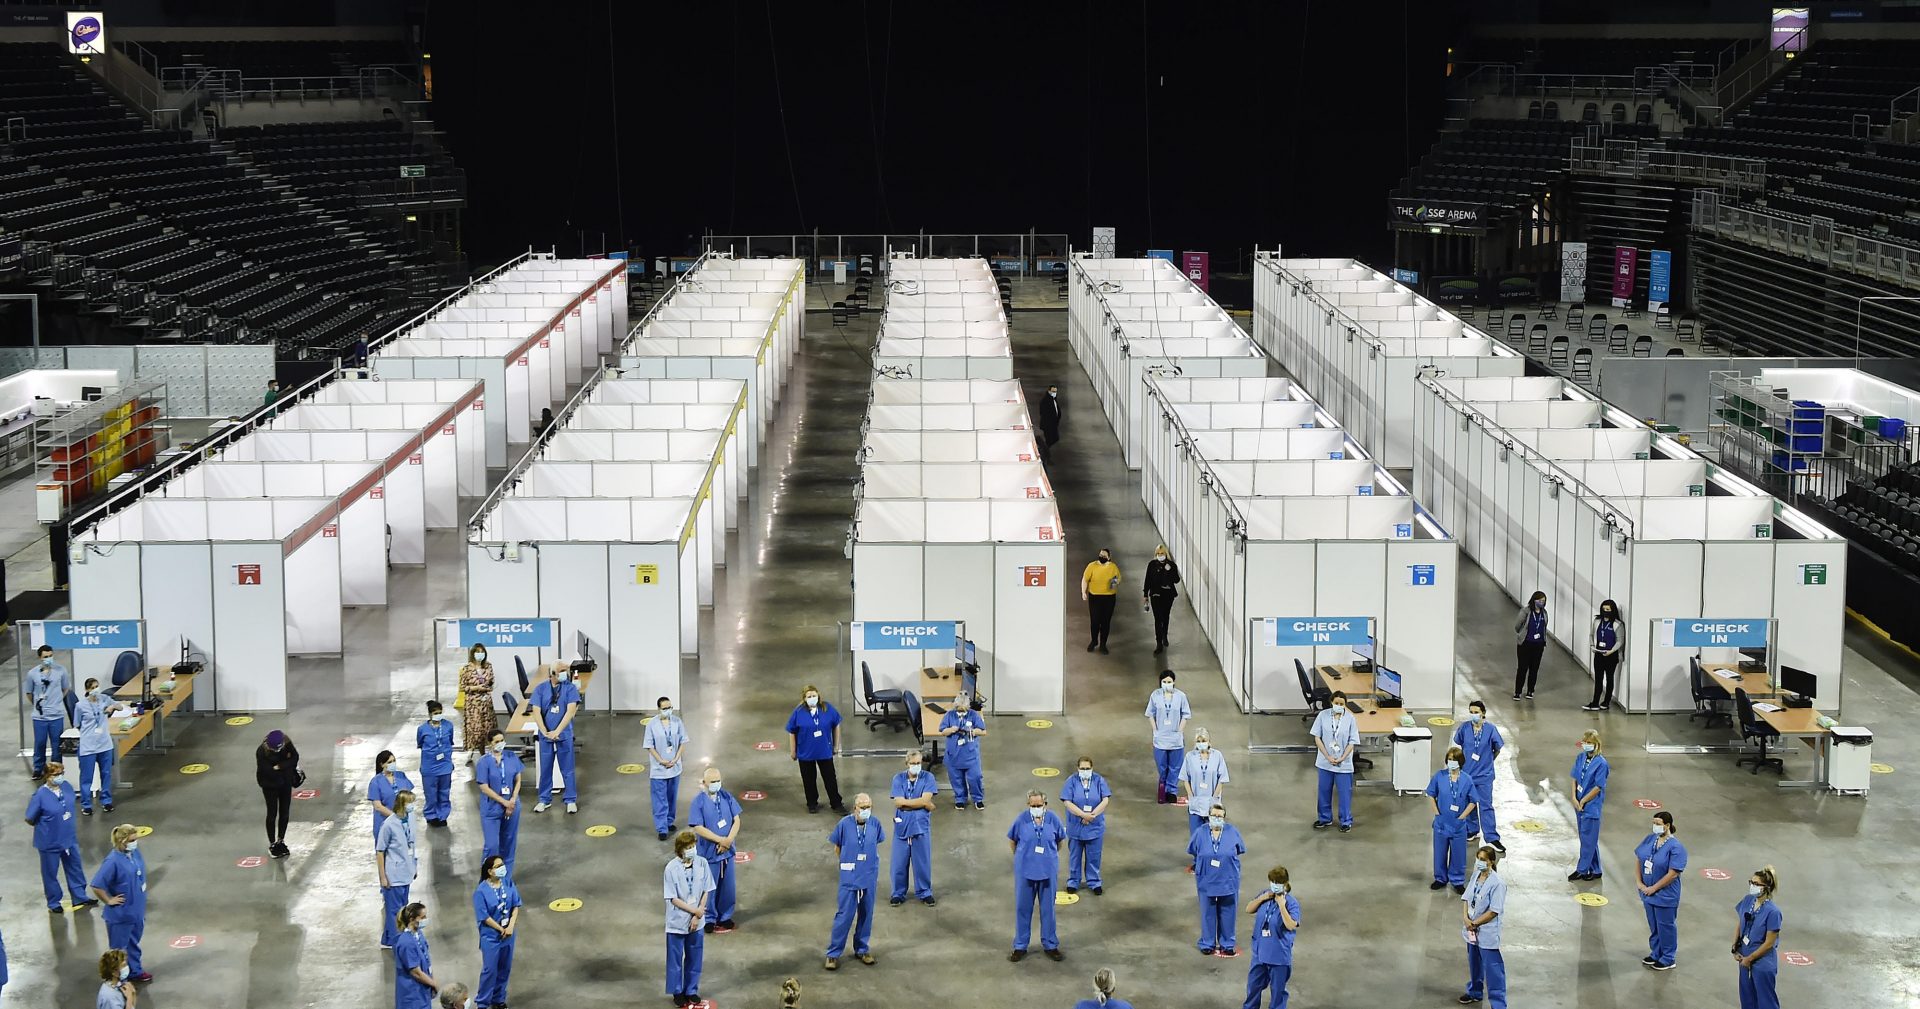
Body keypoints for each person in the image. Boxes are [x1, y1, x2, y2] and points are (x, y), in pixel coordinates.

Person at [824, 793, 882, 969]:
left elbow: (874, 845)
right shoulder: (844, 825)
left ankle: (862, 949)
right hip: (849, 878)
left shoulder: (875, 824)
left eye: (868, 807)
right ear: (855, 808)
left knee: (866, 915)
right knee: (844, 916)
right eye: (862, 807)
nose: (865, 810)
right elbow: (837, 848)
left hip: (868, 876)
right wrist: (849, 864)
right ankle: (833, 954)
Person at [1007, 789, 1067, 962]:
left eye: (1039, 805)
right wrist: (1023, 859)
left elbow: (1060, 842)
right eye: (1033, 805)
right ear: (1028, 805)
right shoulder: (1021, 820)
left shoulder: (1053, 819)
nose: (1036, 808)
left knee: (1048, 910)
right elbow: (1013, 841)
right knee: (1023, 909)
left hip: (1047, 872)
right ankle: (1020, 946)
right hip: (1025, 872)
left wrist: (1048, 857)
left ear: (1045, 804)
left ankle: (1050, 944)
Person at [26, 762, 94, 913]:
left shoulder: (67, 787)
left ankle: (80, 896)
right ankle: (54, 902)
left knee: (75, 868)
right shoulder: (40, 795)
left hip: (69, 839)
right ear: (47, 776)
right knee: (50, 873)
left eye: (61, 773)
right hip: (49, 842)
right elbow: (30, 818)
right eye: (55, 774)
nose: (59, 777)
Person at [88, 825, 150, 981]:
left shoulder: (134, 854)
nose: (135, 843)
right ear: (122, 841)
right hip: (121, 914)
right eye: (132, 840)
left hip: (135, 911)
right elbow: (97, 885)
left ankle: (135, 971)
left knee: (133, 944)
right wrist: (109, 900)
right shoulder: (113, 861)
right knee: (118, 950)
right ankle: (117, 978)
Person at [688, 766, 743, 932]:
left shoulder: (726, 796)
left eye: (718, 781)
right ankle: (709, 917)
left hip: (727, 851)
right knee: (709, 887)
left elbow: (737, 820)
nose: (717, 784)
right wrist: (720, 840)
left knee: (728, 886)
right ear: (704, 783)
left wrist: (728, 841)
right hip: (710, 852)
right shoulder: (698, 802)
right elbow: (698, 827)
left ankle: (725, 916)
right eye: (713, 782)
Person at [664, 830, 715, 1006]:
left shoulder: (702, 863)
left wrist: (700, 911)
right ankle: (677, 991)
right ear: (680, 850)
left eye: (693, 846)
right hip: (678, 920)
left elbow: (706, 888)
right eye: (688, 847)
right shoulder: (671, 868)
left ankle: (691, 989)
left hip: (697, 920)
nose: (692, 849)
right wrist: (694, 911)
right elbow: (673, 898)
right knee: (675, 959)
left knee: (695, 957)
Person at [1189, 803, 1246, 956]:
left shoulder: (1233, 832)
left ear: (1224, 818)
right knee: (1207, 911)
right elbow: (1193, 849)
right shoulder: (1200, 833)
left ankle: (1227, 943)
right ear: (1208, 817)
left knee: (1228, 911)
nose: (1216, 818)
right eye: (1214, 815)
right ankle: (1207, 942)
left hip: (1228, 879)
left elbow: (1240, 849)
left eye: (1220, 816)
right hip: (1206, 879)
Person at [1450, 701, 1505, 852]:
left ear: (1483, 713)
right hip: (1467, 774)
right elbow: (1460, 744)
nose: (1473, 714)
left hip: (1484, 775)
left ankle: (1492, 837)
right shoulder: (1464, 728)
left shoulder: (1490, 730)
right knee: (1469, 805)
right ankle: (1472, 830)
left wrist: (1488, 761)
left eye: (1476, 711)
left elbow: (1497, 748)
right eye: (1471, 711)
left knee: (1486, 806)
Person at [1244, 866, 1301, 1009]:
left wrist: (1282, 906)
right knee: (1253, 987)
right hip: (1260, 952)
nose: (1274, 885)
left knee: (1277, 993)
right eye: (1272, 881)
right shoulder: (1266, 894)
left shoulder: (1291, 903)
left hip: (1278, 956)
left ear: (1285, 883)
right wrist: (1262, 898)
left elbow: (1291, 925)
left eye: (1278, 882)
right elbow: (1248, 909)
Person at [1636, 811, 1687, 971]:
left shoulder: (1676, 847)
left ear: (1667, 825)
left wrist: (1654, 888)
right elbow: (1639, 859)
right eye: (1654, 823)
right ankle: (1656, 952)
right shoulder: (1650, 839)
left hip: (1665, 895)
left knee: (1665, 926)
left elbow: (1673, 874)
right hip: (1647, 893)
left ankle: (1668, 957)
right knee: (1654, 926)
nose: (1655, 826)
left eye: (1658, 824)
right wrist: (1639, 883)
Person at [1459, 844, 1508, 1009]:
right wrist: (1465, 918)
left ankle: (1498, 1004)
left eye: (1483, 860)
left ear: (1491, 862)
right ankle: (1475, 992)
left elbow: (1494, 911)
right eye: (1478, 859)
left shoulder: (1498, 884)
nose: (1479, 862)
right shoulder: (1476, 875)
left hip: (1485, 930)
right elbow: (1467, 898)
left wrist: (1475, 923)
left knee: (1493, 969)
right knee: (1474, 963)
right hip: (1471, 928)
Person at [530, 664, 582, 816]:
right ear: (552, 673)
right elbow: (536, 711)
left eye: (566, 671)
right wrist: (545, 731)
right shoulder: (541, 689)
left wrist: (557, 731)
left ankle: (570, 799)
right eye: (561, 671)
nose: (565, 674)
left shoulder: (570, 688)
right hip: (546, 736)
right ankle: (544, 799)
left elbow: (570, 711)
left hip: (563, 735)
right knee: (545, 768)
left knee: (567, 769)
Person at [888, 751, 938, 907]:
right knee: (898, 862)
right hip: (902, 825)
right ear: (907, 764)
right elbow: (898, 802)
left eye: (919, 763)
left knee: (922, 861)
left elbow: (926, 799)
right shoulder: (898, 779)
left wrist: (908, 802)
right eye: (913, 763)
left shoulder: (928, 778)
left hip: (920, 825)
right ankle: (898, 893)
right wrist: (923, 804)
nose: (916, 766)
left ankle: (925, 892)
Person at [1426, 745, 1479, 893]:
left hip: (1458, 824)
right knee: (1439, 853)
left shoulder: (1467, 780)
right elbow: (1430, 794)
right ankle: (1440, 878)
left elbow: (1473, 801)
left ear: (1460, 762)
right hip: (1442, 823)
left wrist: (1462, 817)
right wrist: (1436, 813)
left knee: (1458, 854)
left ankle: (1457, 880)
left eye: (1454, 760)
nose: (1452, 762)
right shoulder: (1439, 776)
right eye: (1449, 759)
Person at [75, 678, 131, 814]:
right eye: (93, 687)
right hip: (88, 746)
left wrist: (112, 707)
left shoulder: (104, 698)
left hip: (104, 744)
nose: (96, 689)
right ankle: (86, 804)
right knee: (86, 777)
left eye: (97, 686)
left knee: (106, 774)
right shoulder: (80, 706)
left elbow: (120, 706)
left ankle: (106, 801)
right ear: (87, 690)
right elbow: (77, 724)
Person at [786, 685, 845, 815]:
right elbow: (792, 731)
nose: (812, 698)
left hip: (824, 751)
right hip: (806, 753)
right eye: (809, 696)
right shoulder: (799, 712)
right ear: (804, 699)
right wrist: (793, 751)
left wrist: (836, 745)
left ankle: (836, 803)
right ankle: (812, 803)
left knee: (830, 778)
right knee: (808, 779)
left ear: (818, 696)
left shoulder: (827, 708)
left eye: (814, 695)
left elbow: (837, 724)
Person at [473, 854, 521, 1009]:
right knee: (490, 970)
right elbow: (484, 917)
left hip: (508, 935)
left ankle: (498, 1000)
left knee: (504, 968)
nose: (502, 868)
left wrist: (511, 926)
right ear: (489, 871)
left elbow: (515, 905)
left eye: (502, 865)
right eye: (498, 866)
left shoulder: (508, 882)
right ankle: (482, 1003)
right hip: (492, 937)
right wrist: (501, 929)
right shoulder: (481, 891)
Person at [475, 730, 524, 878]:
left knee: (508, 843)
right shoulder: (484, 762)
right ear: (490, 743)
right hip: (492, 808)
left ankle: (505, 879)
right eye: (496, 741)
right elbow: (484, 787)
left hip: (512, 806)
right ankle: (487, 879)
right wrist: (504, 802)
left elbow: (518, 779)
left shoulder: (511, 757)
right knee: (492, 846)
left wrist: (513, 800)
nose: (500, 744)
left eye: (502, 740)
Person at [1309, 690, 1361, 831]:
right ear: (1331, 703)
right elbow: (1317, 737)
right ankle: (1324, 818)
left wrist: (1342, 757)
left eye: (1341, 704)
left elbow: (1352, 741)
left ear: (1345, 705)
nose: (1338, 705)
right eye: (1336, 703)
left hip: (1343, 763)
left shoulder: (1350, 719)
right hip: (1325, 761)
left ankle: (1345, 821)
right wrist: (1327, 756)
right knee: (1324, 791)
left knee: (1344, 793)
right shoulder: (1323, 716)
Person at [1732, 866, 1782, 1009]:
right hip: (1744, 959)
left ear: (1766, 887)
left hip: (1761, 963)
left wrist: (1750, 958)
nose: (1752, 886)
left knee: (1766, 1001)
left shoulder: (1773, 912)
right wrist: (1735, 947)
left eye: (1756, 884)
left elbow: (1769, 943)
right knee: (1747, 999)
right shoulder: (1748, 900)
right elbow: (1740, 923)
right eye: (1751, 882)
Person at [1060, 756, 1111, 896]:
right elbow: (1067, 802)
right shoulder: (1071, 781)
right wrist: (1083, 815)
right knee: (1075, 856)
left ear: (1092, 768)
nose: (1085, 771)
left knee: (1094, 856)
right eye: (1082, 768)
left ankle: (1094, 882)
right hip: (1076, 827)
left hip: (1095, 827)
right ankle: (1073, 881)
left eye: (1088, 768)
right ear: (1077, 769)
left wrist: (1092, 815)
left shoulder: (1099, 780)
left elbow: (1105, 799)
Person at [376, 790, 419, 949]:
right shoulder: (388, 824)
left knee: (403, 908)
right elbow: (380, 851)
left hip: (407, 871)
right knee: (395, 911)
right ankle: (397, 942)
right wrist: (383, 877)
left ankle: (387, 940)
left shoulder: (411, 818)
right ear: (401, 804)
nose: (413, 806)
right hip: (393, 874)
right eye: (410, 803)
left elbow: (413, 844)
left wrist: (415, 866)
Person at [1568, 729, 1609, 882]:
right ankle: (1596, 869)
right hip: (1578, 803)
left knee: (1588, 840)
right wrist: (1573, 797)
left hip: (1590, 806)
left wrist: (1583, 800)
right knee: (1588, 838)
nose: (1586, 745)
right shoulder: (1580, 758)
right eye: (1585, 742)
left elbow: (1598, 786)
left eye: (1589, 743)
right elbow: (1574, 777)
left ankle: (1582, 869)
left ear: (1596, 744)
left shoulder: (1601, 763)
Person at [23, 644, 69, 778]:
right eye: (45, 657)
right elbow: (29, 693)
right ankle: (38, 769)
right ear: (39, 658)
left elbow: (65, 688)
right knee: (40, 743)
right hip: (40, 716)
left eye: (50, 656)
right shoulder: (32, 674)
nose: (48, 659)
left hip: (56, 715)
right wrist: (38, 704)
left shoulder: (61, 671)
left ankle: (55, 769)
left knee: (56, 745)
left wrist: (57, 700)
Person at [1177, 728, 1229, 845]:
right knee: (1196, 836)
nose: (1201, 743)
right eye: (1198, 741)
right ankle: (1197, 861)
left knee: (1212, 836)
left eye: (1203, 740)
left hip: (1212, 802)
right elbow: (1185, 778)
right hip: (1196, 802)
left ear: (1209, 741)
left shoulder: (1217, 756)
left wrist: (1215, 797)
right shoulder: (1190, 757)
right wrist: (1191, 796)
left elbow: (1222, 778)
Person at [1146, 672, 1191, 804]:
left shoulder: (1181, 696)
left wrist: (1179, 731)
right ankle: (1163, 787)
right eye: (1164, 682)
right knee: (1162, 766)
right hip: (1160, 737)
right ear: (1160, 682)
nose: (1167, 684)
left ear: (1174, 682)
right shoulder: (1155, 695)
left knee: (1175, 766)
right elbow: (1150, 713)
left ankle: (1171, 791)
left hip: (1175, 738)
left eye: (1169, 681)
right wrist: (1155, 730)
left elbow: (1186, 714)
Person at [643, 694, 684, 833]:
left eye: (670, 707)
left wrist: (676, 758)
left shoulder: (677, 722)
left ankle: (669, 821)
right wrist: (660, 760)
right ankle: (662, 828)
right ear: (658, 709)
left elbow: (683, 742)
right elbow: (649, 746)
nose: (668, 710)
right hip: (659, 769)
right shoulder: (652, 725)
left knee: (672, 797)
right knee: (660, 799)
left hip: (674, 767)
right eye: (665, 708)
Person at [937, 692, 986, 809]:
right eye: (959, 710)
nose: (961, 712)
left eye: (963, 710)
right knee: (956, 779)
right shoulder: (949, 715)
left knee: (975, 777)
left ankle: (978, 799)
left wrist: (973, 731)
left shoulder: (973, 715)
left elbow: (983, 731)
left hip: (970, 755)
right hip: (954, 755)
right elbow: (943, 731)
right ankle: (960, 798)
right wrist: (951, 729)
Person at [256, 730, 300, 858]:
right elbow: (268, 772)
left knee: (285, 812)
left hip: (285, 783)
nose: (277, 752)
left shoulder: (286, 743)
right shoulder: (261, 751)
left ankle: (281, 840)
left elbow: (295, 758)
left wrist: (279, 766)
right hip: (270, 786)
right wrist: (285, 767)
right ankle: (272, 843)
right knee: (272, 813)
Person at [416, 701, 455, 827]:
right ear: (430, 714)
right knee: (430, 793)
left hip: (445, 765)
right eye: (435, 713)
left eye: (440, 713)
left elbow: (450, 741)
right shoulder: (422, 729)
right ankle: (431, 815)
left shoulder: (448, 726)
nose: (438, 715)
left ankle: (442, 816)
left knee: (444, 792)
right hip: (429, 766)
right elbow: (420, 743)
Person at [394, 902, 440, 1009]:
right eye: (423, 917)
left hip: (422, 990)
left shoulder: (418, 934)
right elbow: (416, 973)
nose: (426, 919)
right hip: (412, 995)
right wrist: (433, 984)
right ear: (411, 919)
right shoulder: (406, 943)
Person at [458, 645, 497, 765]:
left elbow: (491, 681)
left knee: (487, 728)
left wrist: (489, 687)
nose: (480, 655)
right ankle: (471, 751)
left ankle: (484, 752)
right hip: (473, 704)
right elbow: (462, 687)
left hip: (486, 703)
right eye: (478, 652)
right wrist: (476, 688)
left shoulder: (488, 666)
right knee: (475, 729)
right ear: (473, 653)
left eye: (482, 652)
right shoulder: (466, 669)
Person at [1585, 599, 1625, 711]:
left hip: (1611, 655)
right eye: (1604, 609)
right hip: (1599, 653)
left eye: (1608, 609)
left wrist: (1611, 651)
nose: (1605, 611)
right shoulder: (1597, 621)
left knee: (1609, 678)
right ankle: (1595, 702)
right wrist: (1592, 646)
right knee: (1598, 679)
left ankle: (1606, 702)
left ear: (1612, 610)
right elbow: (1591, 634)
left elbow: (1620, 641)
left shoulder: (1618, 624)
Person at [368, 750, 416, 842]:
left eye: (394, 761)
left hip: (404, 823)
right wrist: (395, 817)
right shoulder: (375, 782)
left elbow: (409, 796)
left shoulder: (401, 776)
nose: (393, 764)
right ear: (382, 764)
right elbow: (378, 806)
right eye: (389, 762)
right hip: (385, 823)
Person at [1142, 545, 1182, 652]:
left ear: (1166, 554)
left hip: (1168, 595)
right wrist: (1145, 595)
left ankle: (1164, 635)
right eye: (1158, 554)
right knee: (1157, 618)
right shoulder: (1152, 565)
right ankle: (1158, 642)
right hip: (1156, 594)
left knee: (1165, 616)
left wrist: (1169, 571)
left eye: (1162, 553)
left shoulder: (1171, 565)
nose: (1160, 555)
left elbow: (1176, 580)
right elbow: (1148, 580)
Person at [1081, 548, 1121, 653]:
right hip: (1095, 597)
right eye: (1100, 555)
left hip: (1109, 598)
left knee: (1105, 622)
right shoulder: (1092, 566)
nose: (1102, 557)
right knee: (1095, 621)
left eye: (1104, 555)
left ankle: (1103, 644)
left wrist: (1113, 583)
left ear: (1109, 557)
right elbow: (1085, 579)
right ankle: (1094, 641)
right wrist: (1083, 592)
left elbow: (1117, 579)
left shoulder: (1113, 567)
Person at [1513, 591, 1548, 700]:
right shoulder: (1526, 611)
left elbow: (1544, 626)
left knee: (1534, 669)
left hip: (1538, 645)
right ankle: (1518, 691)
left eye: (1543, 601)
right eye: (1539, 600)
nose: (1541, 603)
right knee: (1522, 668)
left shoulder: (1544, 613)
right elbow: (1517, 625)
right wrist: (1521, 634)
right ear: (1534, 600)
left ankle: (1530, 690)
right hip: (1525, 644)